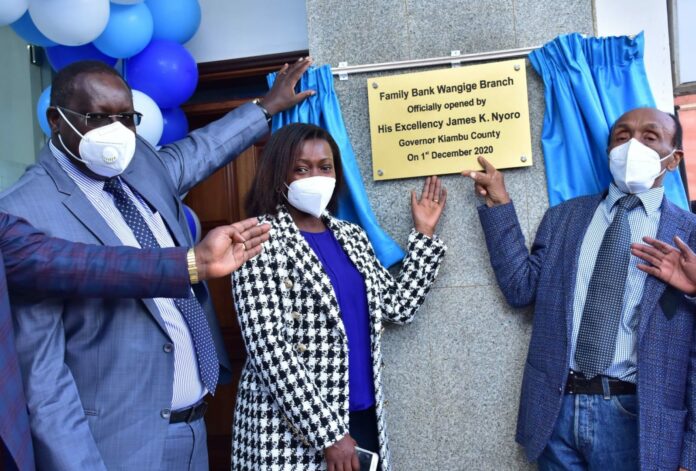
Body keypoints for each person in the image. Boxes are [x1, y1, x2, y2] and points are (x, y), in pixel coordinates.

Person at [0, 57, 311, 471]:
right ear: (57, 120)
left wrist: (266, 107)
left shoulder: (139, 162)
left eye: (126, 118)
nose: (117, 132)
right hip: (116, 448)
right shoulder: (24, 212)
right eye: (98, 117)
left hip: (194, 430)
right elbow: (43, 381)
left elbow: (199, 152)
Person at [463, 107, 696, 470]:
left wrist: (690, 453)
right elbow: (521, 289)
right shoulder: (565, 218)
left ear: (672, 158)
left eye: (650, 137)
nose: (632, 145)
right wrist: (499, 203)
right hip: (556, 410)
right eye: (622, 136)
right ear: (609, 152)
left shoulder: (690, 235)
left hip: (638, 417)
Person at [231, 123, 447, 471]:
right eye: (302, 168)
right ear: (278, 173)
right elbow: (269, 348)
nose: (316, 175)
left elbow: (398, 306)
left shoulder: (351, 236)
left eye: (325, 166)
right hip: (291, 430)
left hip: (362, 417)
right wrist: (329, 435)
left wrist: (424, 234)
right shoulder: (256, 238)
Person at [0, 213, 270, 471]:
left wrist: (192, 263)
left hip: (192, 432)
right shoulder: (24, 202)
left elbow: (75, 263)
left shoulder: (7, 231)